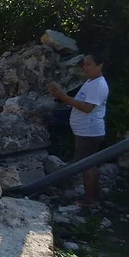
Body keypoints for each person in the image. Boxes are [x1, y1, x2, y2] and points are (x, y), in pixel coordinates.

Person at [49, 52, 109, 207]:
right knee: (87, 163)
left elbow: (87, 108)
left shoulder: (98, 84)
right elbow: (80, 102)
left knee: (87, 165)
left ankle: (90, 199)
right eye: (84, 64)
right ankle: (94, 195)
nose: (85, 67)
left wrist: (63, 96)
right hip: (84, 131)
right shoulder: (91, 82)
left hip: (90, 131)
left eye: (89, 64)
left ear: (100, 65)